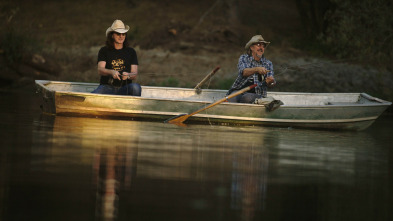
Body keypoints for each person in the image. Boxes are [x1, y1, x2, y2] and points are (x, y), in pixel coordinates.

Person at [92, 19, 141, 96]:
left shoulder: (131, 51)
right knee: (95, 94)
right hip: (107, 87)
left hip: (125, 88)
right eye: (118, 34)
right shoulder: (104, 50)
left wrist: (128, 75)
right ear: (112, 35)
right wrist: (111, 72)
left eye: (123, 34)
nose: (121, 36)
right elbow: (100, 70)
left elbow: (134, 74)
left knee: (136, 87)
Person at [227, 35, 276, 103]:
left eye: (263, 46)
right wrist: (257, 69)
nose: (261, 48)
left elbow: (272, 84)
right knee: (231, 98)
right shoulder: (244, 58)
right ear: (251, 47)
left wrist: (270, 82)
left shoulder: (268, 63)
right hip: (239, 90)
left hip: (257, 94)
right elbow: (244, 72)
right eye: (258, 45)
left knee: (247, 98)